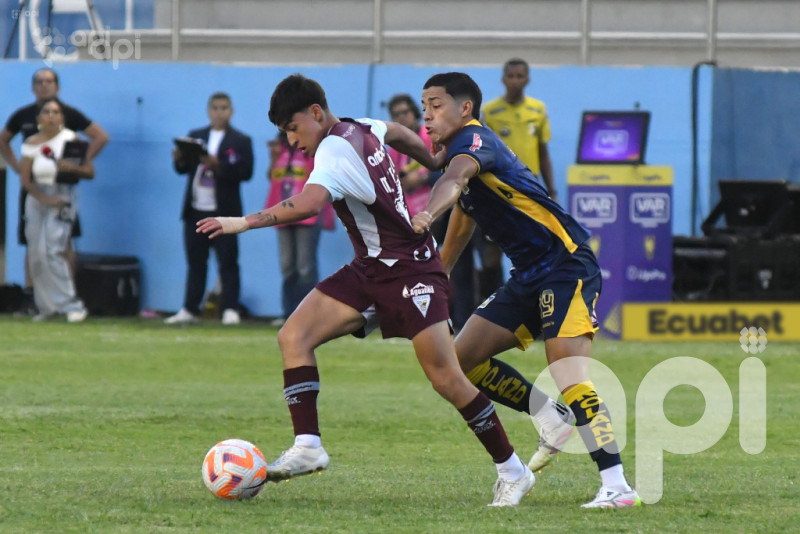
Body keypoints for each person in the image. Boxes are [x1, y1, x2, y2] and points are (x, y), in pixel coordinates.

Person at [197, 74, 535, 507]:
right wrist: (432, 160)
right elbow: (395, 132)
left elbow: (308, 204)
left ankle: (513, 471)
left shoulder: (334, 150)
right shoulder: (360, 126)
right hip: (370, 269)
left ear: (316, 113)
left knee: (447, 378)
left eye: (294, 128)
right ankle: (308, 446)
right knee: (294, 336)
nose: (292, 140)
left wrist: (240, 222)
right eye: (285, 133)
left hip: (412, 271)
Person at [410, 72, 641, 508]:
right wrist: (434, 281)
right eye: (425, 106)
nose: (428, 113)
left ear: (465, 109)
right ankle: (548, 416)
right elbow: (461, 224)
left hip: (567, 265)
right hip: (529, 274)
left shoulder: (474, 143)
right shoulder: (460, 159)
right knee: (462, 358)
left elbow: (453, 182)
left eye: (436, 104)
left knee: (568, 371)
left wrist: (425, 214)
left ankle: (617, 486)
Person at [0, 68, 109, 311]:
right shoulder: (27, 128)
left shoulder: (71, 130)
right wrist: (19, 169)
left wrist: (75, 165)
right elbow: (5, 141)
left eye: (49, 82)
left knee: (58, 246)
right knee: (35, 246)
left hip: (62, 191)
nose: (44, 86)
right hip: (36, 191)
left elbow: (99, 140)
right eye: (39, 82)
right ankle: (38, 299)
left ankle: (68, 298)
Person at [387, 93, 475, 329]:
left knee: (456, 265)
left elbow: (449, 169)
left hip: (443, 210)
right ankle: (419, 318)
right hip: (413, 217)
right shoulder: (395, 146)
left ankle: (462, 319)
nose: (401, 118)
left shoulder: (431, 135)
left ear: (415, 112)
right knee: (416, 269)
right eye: (396, 115)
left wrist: (422, 177)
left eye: (405, 112)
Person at [165, 92, 254, 326]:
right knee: (196, 261)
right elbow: (183, 169)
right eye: (215, 108)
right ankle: (190, 307)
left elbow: (246, 172)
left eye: (224, 108)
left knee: (228, 261)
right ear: (208, 110)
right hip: (195, 209)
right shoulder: (196, 136)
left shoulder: (240, 140)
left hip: (224, 211)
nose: (219, 112)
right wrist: (178, 159)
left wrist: (218, 165)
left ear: (231, 111)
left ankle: (230, 308)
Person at [19, 99, 94, 322]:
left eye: (56, 112)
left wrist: (71, 167)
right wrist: (43, 198)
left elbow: (89, 172)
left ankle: (71, 303)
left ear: (62, 117)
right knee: (36, 253)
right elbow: (26, 179)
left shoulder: (70, 139)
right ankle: (47, 306)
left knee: (53, 249)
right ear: (39, 118)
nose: (51, 116)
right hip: (37, 197)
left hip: (62, 195)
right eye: (47, 112)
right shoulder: (32, 143)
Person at [265, 131, 330, 322]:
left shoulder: (312, 148)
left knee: (305, 266)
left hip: (307, 215)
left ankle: (309, 315)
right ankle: (289, 314)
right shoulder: (280, 149)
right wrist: (274, 158)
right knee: (287, 265)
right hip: (282, 213)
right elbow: (272, 176)